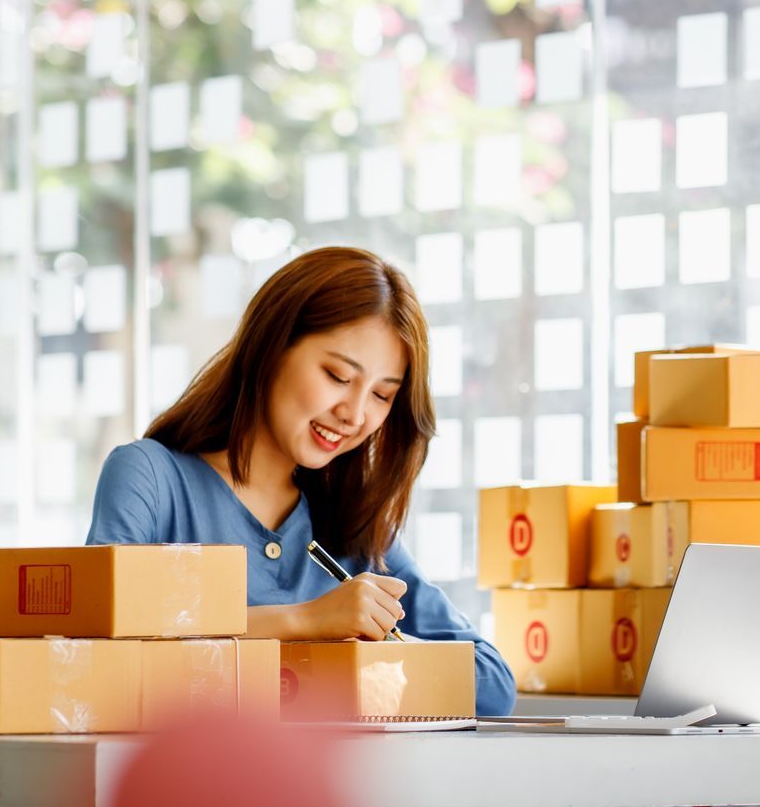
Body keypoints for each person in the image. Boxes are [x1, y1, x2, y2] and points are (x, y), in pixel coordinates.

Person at [88, 245, 514, 715]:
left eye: (382, 395)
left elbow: (493, 685)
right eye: (337, 375)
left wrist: (372, 641)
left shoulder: (355, 521)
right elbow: (103, 655)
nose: (354, 414)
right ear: (272, 345)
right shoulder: (150, 478)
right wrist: (306, 621)